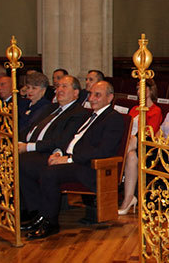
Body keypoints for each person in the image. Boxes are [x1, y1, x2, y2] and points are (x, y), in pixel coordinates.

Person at [21, 81, 124, 240]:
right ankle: (39, 215)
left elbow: (103, 151)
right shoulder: (91, 115)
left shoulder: (113, 118)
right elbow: (72, 140)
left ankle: (51, 223)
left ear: (110, 97)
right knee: (32, 165)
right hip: (74, 161)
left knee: (49, 173)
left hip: (90, 167)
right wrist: (58, 153)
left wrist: (69, 159)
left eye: (98, 95)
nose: (92, 98)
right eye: (91, 94)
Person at [118, 79, 163, 215]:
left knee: (132, 140)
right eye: (137, 89)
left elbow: (149, 132)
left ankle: (116, 168)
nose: (139, 92)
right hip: (131, 147)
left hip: (145, 146)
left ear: (150, 90)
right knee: (131, 157)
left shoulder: (155, 110)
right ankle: (129, 199)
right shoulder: (133, 109)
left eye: (142, 88)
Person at [18, 72, 51, 136]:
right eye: (28, 87)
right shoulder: (25, 103)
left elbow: (29, 126)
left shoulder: (46, 106)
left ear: (43, 90)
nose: (30, 91)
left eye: (34, 88)